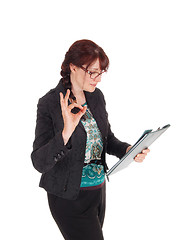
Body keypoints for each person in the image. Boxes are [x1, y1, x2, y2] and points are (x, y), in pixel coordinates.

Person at [31, 39, 150, 240]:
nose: (98, 79)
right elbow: (39, 162)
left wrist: (129, 149)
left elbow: (107, 139)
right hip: (68, 197)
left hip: (97, 193)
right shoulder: (50, 103)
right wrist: (66, 132)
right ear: (73, 67)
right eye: (92, 72)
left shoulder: (96, 97)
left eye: (101, 72)